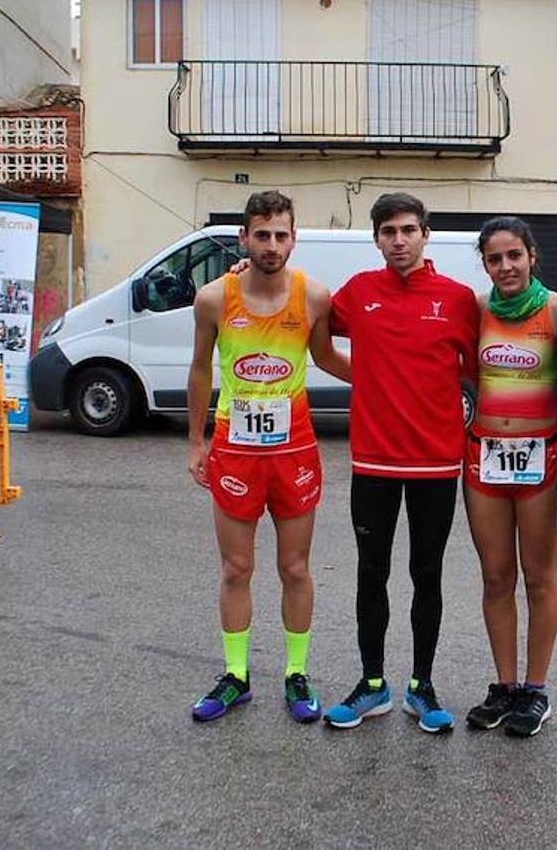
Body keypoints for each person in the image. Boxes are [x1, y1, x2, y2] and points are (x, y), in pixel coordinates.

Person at [186, 190, 351, 723]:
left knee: (294, 566)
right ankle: (236, 676)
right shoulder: (213, 298)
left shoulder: (314, 296)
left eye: (281, 235)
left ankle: (295, 674)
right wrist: (196, 441)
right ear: (243, 238)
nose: (272, 245)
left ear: (294, 239)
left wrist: (387, 381)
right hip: (235, 447)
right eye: (262, 234)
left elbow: (326, 355)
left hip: (294, 448)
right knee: (236, 567)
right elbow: (200, 370)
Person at [322, 192, 480, 734]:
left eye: (408, 230)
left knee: (426, 574)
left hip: (437, 464)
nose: (399, 240)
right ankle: (372, 684)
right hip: (373, 462)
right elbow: (306, 319)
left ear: (425, 234)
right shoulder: (359, 292)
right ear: (377, 238)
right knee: (372, 573)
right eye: (388, 231)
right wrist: (363, 380)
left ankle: (422, 685)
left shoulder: (457, 299)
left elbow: (481, 372)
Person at [462, 217, 557, 738]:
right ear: (484, 263)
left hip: (542, 457)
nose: (505, 267)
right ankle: (504, 686)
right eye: (494, 259)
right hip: (484, 457)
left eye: (514, 256)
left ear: (531, 257)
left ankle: (536, 689)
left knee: (540, 577)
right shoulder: (475, 311)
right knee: (496, 576)